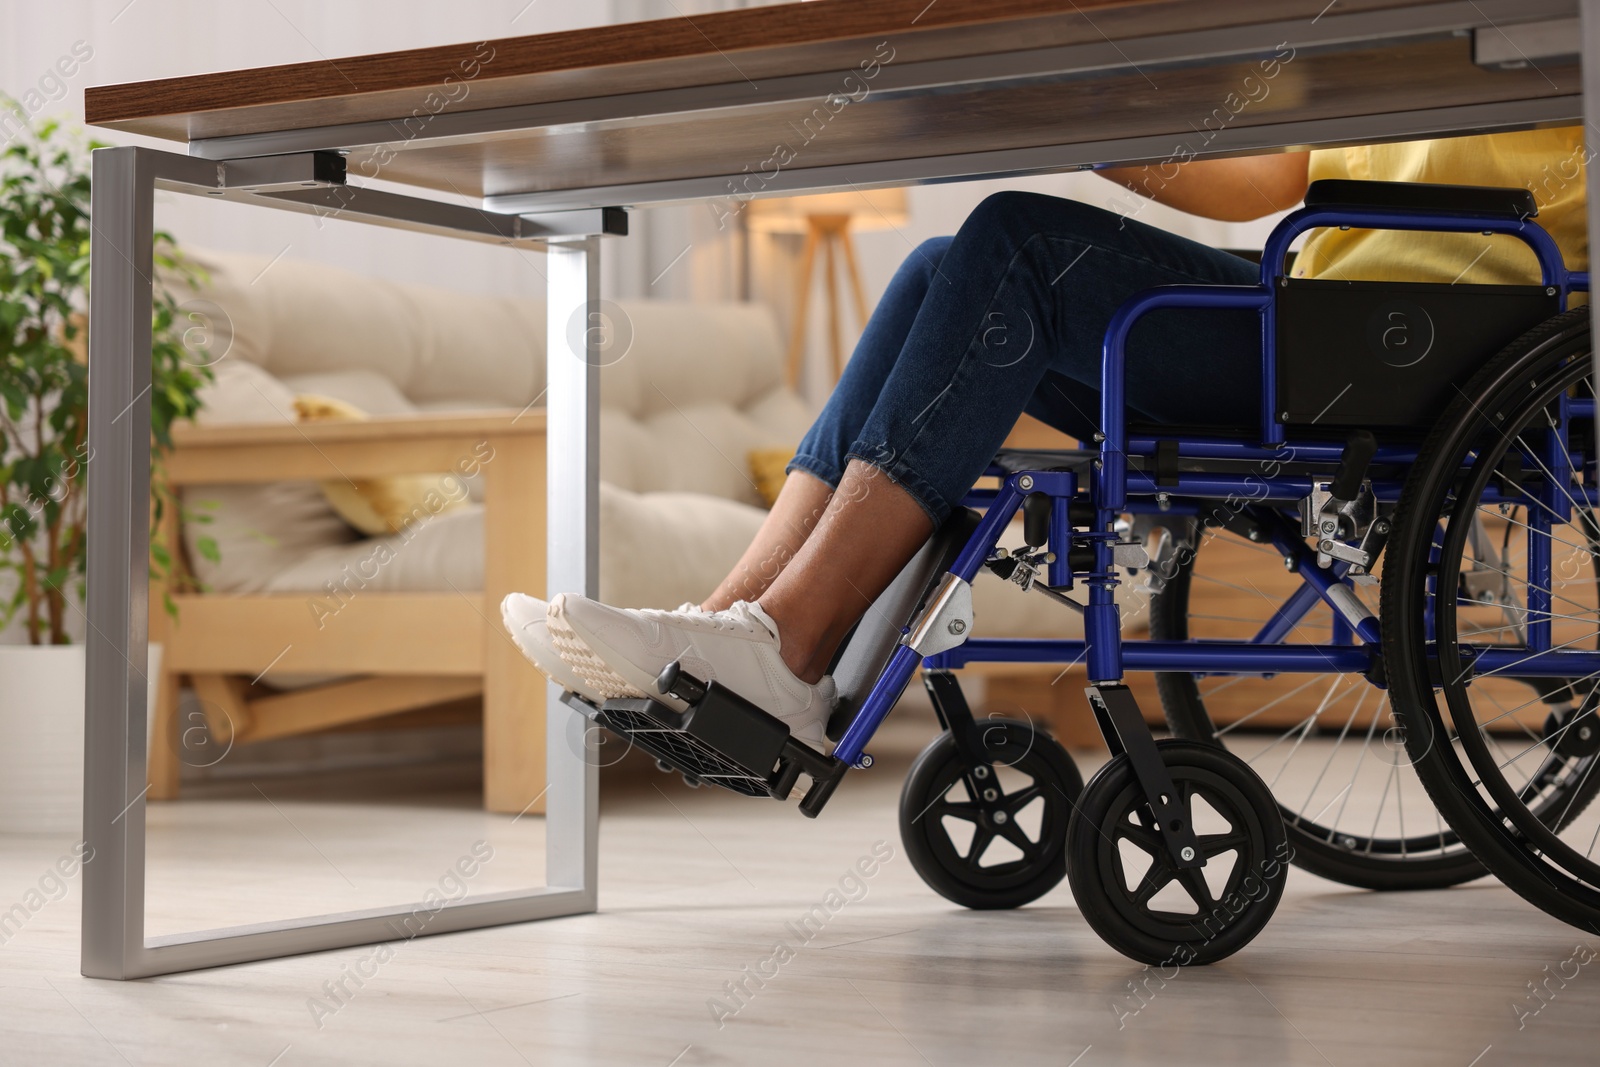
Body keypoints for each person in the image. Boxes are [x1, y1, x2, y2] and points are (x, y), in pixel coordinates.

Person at [502, 128, 1589, 751]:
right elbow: (1269, 179)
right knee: (941, 267)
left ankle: (785, 645)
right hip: (1319, 312)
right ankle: (732, 621)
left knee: (1016, 243)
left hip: (1430, 345)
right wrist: (1086, 128)